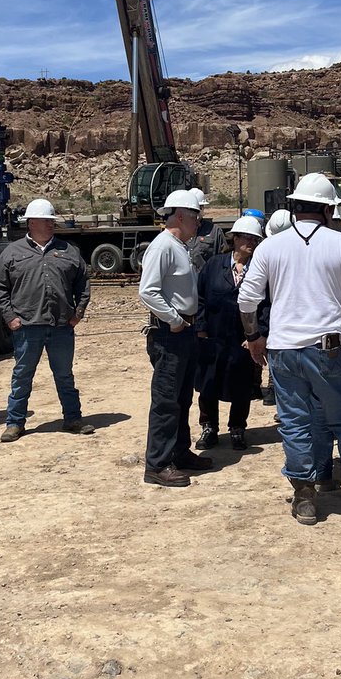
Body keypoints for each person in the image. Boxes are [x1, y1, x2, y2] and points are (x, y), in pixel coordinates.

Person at [237, 173, 341, 527]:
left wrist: (255, 336)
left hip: (283, 349)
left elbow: (246, 299)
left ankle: (305, 496)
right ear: (328, 208)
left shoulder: (270, 247)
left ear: (294, 206)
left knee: (294, 422)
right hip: (329, 347)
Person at [0, 198, 93, 443]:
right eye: (46, 221)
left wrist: (77, 313)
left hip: (61, 327)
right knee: (22, 376)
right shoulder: (12, 252)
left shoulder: (69, 251)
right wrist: (10, 318)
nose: (50, 225)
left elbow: (83, 284)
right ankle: (14, 423)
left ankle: (73, 418)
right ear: (31, 222)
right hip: (26, 327)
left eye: (51, 221)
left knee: (64, 375)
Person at [138, 189, 213, 486]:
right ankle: (157, 464)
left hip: (183, 331)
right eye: (196, 216)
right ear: (180, 216)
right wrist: (174, 319)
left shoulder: (178, 246)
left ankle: (179, 452)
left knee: (182, 398)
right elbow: (148, 291)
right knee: (167, 400)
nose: (199, 222)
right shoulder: (163, 247)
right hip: (171, 333)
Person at [194, 215, 267, 451]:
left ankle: (237, 428)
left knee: (242, 386)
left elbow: (267, 305)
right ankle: (209, 427)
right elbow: (200, 298)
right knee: (208, 384)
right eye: (247, 237)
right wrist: (201, 329)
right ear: (234, 238)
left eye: (256, 239)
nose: (251, 242)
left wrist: (257, 335)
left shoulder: (260, 269)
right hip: (213, 337)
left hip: (243, 340)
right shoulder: (214, 265)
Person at [186, 187, 227, 273]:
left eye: (200, 207)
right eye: (193, 209)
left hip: (206, 281)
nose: (196, 211)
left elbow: (224, 258)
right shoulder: (179, 231)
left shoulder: (214, 231)